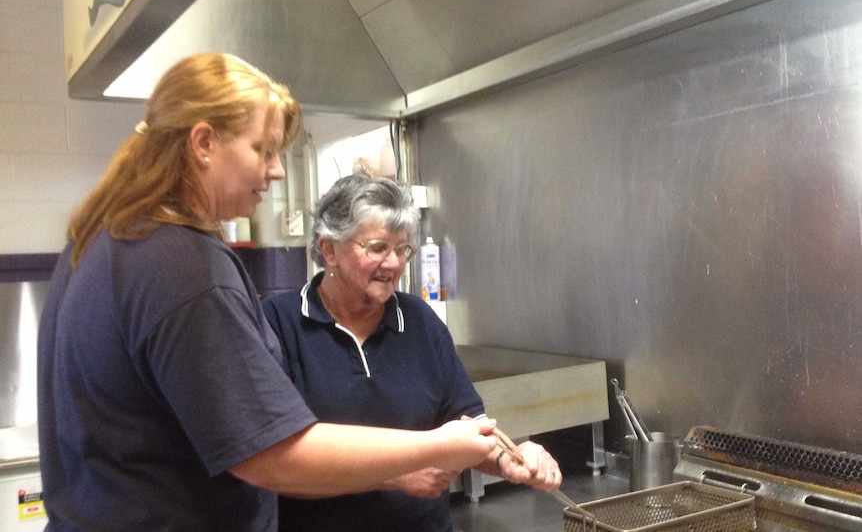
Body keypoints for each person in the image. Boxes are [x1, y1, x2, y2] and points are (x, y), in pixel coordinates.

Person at [36, 53, 499, 532]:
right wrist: (440, 446)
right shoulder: (183, 263)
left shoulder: (101, 239)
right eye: (263, 150)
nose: (277, 171)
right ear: (204, 142)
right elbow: (272, 454)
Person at [261, 174, 562, 532]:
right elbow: (277, 465)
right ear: (329, 250)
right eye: (377, 248)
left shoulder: (419, 320)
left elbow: (469, 424)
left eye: (402, 250)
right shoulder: (277, 323)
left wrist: (509, 458)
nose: (393, 264)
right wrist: (394, 476)